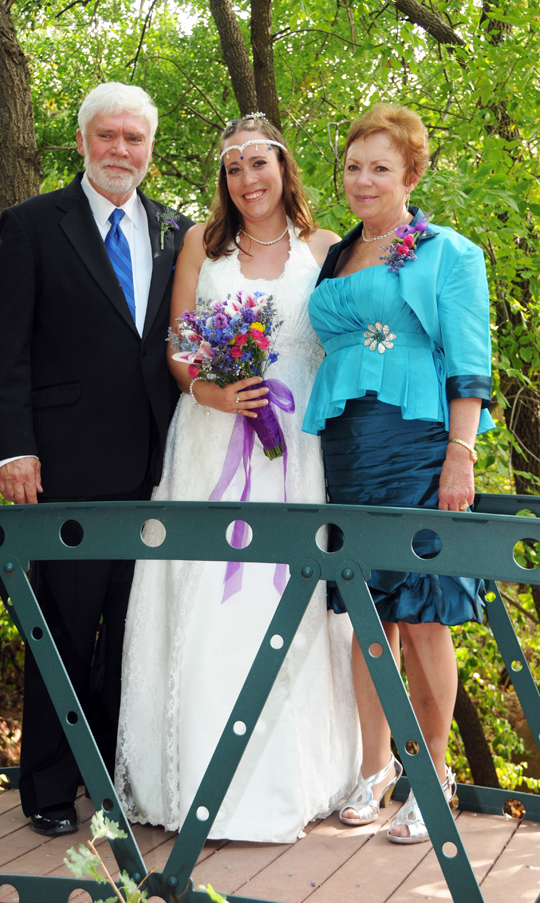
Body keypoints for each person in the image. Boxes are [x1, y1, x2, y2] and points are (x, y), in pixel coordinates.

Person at [115, 114, 360, 843]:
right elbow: (177, 345)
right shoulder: (201, 244)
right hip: (210, 439)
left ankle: (289, 779)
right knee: (204, 595)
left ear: (285, 167)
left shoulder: (324, 251)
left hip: (298, 450)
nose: (247, 179)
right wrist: (211, 392)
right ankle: (190, 778)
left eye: (260, 163)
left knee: (287, 595)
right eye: (233, 168)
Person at [0, 82, 193, 836]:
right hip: (62, 465)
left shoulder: (178, 231)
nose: (120, 151)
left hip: (160, 466)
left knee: (135, 632)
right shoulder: (34, 225)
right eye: (106, 136)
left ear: (150, 149)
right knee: (62, 628)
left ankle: (115, 784)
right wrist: (13, 446)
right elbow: (3, 351)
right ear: (81, 141)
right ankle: (46, 785)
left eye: (134, 139)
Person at [303, 102, 494, 843]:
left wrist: (461, 450)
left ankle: (434, 774)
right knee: (365, 613)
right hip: (348, 449)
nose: (363, 179)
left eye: (380, 167)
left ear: (410, 173)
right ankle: (374, 767)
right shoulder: (336, 254)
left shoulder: (449, 251)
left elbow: (471, 363)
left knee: (421, 612)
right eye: (353, 166)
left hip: (419, 447)